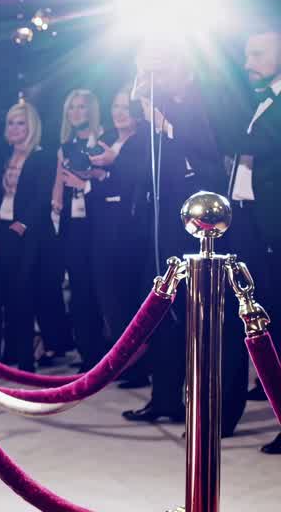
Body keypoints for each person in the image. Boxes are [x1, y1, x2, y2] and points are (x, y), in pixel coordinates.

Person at [123, 51, 228, 427]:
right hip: (166, 214)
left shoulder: (208, 100)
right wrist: (142, 69)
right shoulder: (158, 102)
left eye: (167, 68)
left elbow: (211, 148)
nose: (162, 76)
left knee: (202, 313)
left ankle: (208, 405)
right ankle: (164, 397)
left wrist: (167, 123)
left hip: (206, 216)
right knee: (162, 306)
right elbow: (139, 99)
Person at [226, 27, 281, 453]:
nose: (249, 63)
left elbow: (246, 141)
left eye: (258, 54)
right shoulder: (263, 103)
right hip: (256, 224)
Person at [0, 100, 56, 372]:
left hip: (27, 234)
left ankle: (24, 361)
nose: (15, 127)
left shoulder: (42, 156)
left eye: (20, 122)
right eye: (11, 122)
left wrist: (24, 223)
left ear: (31, 126)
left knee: (20, 296)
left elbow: (43, 196)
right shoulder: (2, 155)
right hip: (0, 230)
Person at [88, 89, 153, 388]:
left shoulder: (143, 140)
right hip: (104, 227)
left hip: (130, 230)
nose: (119, 112)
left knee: (128, 299)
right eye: (115, 106)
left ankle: (139, 366)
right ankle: (125, 363)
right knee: (110, 299)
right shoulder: (108, 139)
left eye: (126, 107)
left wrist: (112, 163)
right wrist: (97, 176)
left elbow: (139, 179)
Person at [50, 89, 106, 370]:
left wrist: (86, 179)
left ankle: (106, 353)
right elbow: (60, 180)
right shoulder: (66, 146)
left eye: (82, 107)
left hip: (100, 222)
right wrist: (57, 198)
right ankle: (88, 352)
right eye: (71, 108)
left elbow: (108, 178)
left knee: (99, 287)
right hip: (72, 224)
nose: (76, 112)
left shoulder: (104, 142)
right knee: (79, 287)